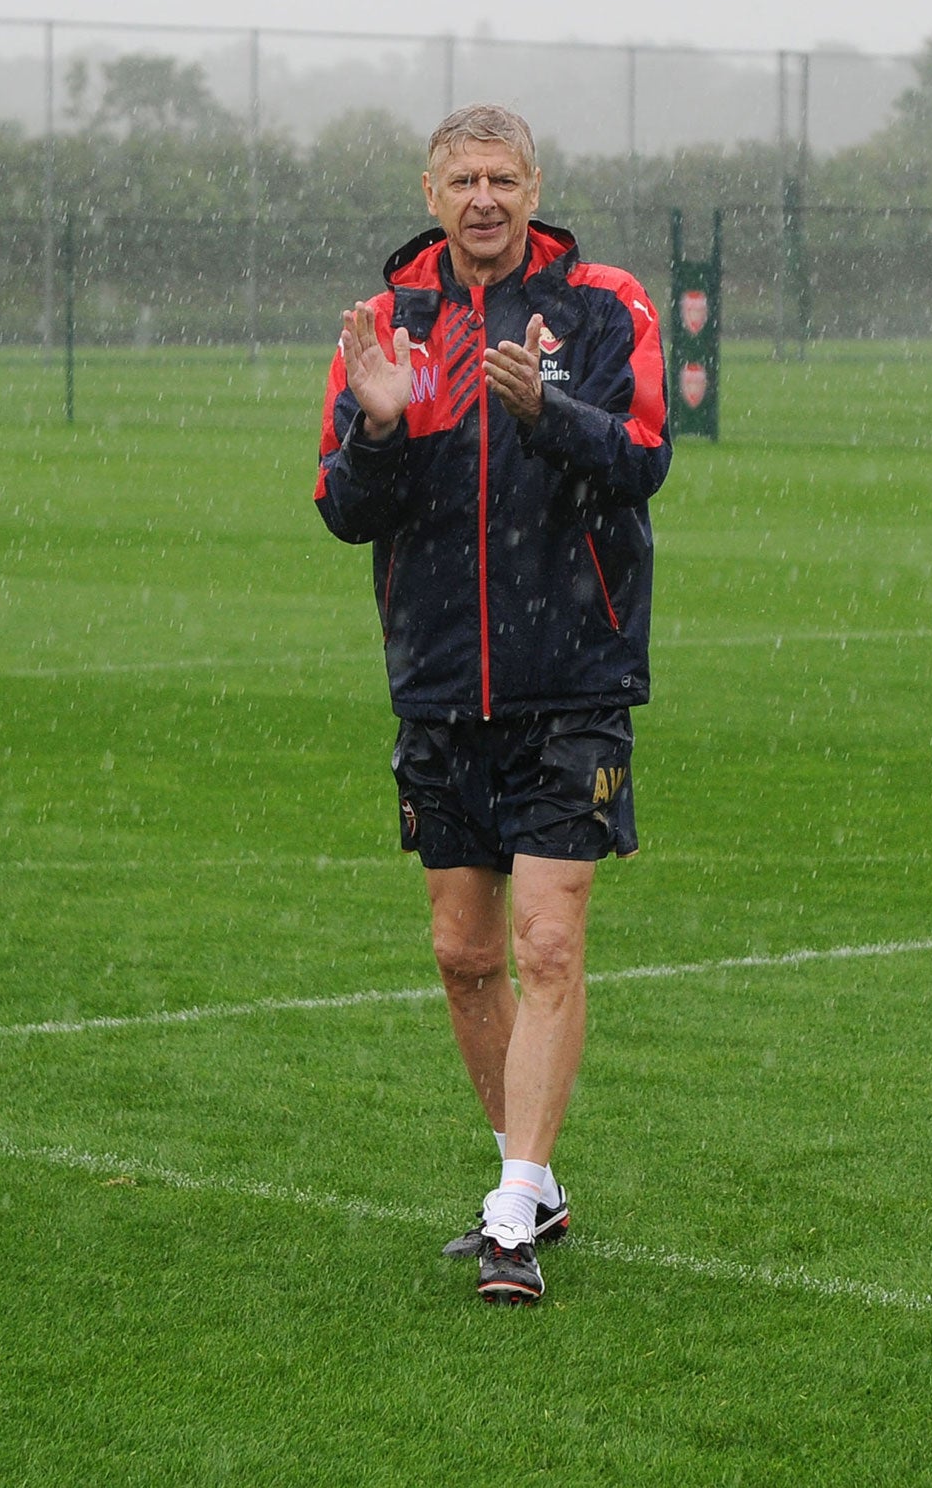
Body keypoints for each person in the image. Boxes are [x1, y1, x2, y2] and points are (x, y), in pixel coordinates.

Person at [313, 104, 671, 1305]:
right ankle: (536, 1176)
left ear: (534, 188)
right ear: (429, 191)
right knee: (466, 954)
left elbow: (641, 457)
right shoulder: (387, 325)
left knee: (549, 940)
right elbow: (342, 510)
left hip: (572, 673)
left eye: (502, 177)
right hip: (437, 683)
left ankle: (511, 1208)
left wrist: (544, 413)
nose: (482, 197)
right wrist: (374, 426)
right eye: (461, 177)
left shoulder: (600, 305)